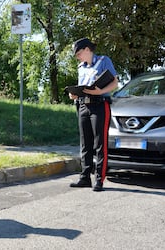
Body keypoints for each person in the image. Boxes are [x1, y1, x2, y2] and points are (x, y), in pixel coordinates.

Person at [68, 38, 118, 191]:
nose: (78, 57)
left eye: (79, 53)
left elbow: (115, 82)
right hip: (83, 105)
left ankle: (99, 179)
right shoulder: (81, 67)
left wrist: (100, 91)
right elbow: (82, 87)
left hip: (99, 104)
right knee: (85, 143)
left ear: (88, 49)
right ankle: (85, 177)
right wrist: (74, 95)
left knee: (100, 143)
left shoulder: (104, 61)